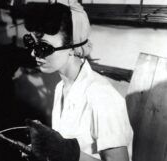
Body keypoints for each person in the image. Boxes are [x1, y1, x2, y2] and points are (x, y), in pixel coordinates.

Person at [22, 1, 133, 161]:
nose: (34, 54)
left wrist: (67, 152)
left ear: (73, 48)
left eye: (44, 48)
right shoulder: (62, 87)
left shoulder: (101, 96)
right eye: (31, 43)